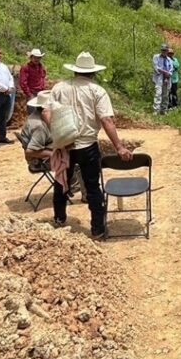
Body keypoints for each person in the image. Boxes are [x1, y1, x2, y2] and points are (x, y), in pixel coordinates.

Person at [50, 52, 133, 237]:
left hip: (65, 145)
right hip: (87, 145)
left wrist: (59, 135)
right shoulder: (97, 91)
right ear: (93, 73)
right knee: (93, 187)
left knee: (61, 182)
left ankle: (59, 219)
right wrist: (119, 147)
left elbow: (47, 113)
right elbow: (106, 120)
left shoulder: (59, 88)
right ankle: (97, 229)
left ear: (75, 70)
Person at [19, 48, 48, 114]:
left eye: (38, 58)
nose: (37, 59)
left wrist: (42, 88)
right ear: (31, 57)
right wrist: (29, 94)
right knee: (32, 113)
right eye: (35, 57)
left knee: (41, 112)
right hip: (31, 93)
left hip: (40, 93)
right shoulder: (26, 67)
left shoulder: (41, 67)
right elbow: (23, 83)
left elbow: (42, 78)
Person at [152, 43, 173, 115]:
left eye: (165, 50)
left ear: (167, 51)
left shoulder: (169, 60)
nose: (164, 51)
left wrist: (167, 77)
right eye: (162, 50)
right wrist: (164, 72)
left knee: (165, 95)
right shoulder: (156, 57)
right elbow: (156, 68)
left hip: (167, 80)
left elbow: (171, 70)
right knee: (158, 94)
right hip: (159, 79)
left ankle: (164, 110)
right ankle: (156, 110)